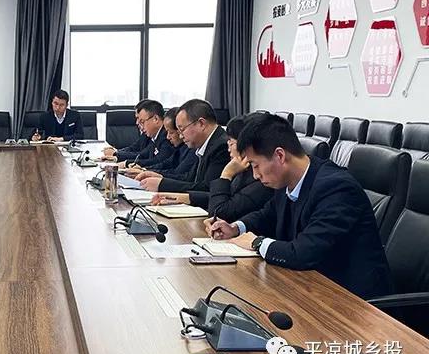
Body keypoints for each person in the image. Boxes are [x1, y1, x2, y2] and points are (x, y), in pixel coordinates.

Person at [206, 113, 392, 299]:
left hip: (353, 301)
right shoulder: (289, 180)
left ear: (280, 156)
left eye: (256, 165)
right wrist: (235, 228)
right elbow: (267, 215)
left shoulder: (336, 188)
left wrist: (257, 242)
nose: (255, 175)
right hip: (311, 288)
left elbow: (304, 252)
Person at [151, 113, 273, 221]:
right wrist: (182, 197)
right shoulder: (243, 170)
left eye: (231, 143)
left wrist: (226, 175)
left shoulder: (259, 178)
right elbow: (224, 197)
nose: (228, 148)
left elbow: (219, 212)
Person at [137, 99, 229, 192]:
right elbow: (189, 178)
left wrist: (162, 184)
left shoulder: (222, 147)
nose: (180, 136)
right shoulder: (206, 144)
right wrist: (159, 177)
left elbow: (206, 189)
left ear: (201, 123)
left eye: (182, 130)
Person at [123, 107, 198, 180]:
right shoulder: (180, 147)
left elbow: (178, 173)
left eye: (171, 132)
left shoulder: (192, 148)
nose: (168, 137)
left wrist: (148, 173)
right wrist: (144, 170)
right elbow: (167, 163)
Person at [117, 100, 173, 169]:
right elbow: (142, 155)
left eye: (142, 122)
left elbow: (158, 161)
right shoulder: (155, 136)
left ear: (156, 119)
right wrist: (117, 156)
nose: (138, 124)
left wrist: (127, 163)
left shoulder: (166, 136)